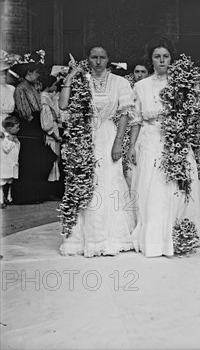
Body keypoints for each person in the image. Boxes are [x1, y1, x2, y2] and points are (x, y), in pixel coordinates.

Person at [129, 38, 200, 257]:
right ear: (151, 59)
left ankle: (178, 232)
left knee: (176, 185)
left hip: (177, 140)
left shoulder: (181, 84)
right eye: (157, 56)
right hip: (150, 139)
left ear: (172, 59)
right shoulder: (140, 86)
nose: (162, 60)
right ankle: (155, 238)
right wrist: (131, 147)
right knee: (152, 185)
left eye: (165, 56)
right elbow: (136, 119)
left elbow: (194, 115)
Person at [59, 45, 135, 256]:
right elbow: (63, 105)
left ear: (108, 59)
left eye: (102, 57)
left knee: (109, 180)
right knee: (86, 181)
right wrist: (70, 77)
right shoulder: (81, 81)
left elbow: (124, 114)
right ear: (88, 59)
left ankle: (111, 236)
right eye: (94, 57)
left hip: (109, 135)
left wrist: (119, 142)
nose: (98, 61)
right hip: (84, 137)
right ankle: (84, 238)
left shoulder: (120, 82)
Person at [11, 62, 56, 204]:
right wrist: (35, 122)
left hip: (35, 127)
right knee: (30, 162)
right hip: (28, 128)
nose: (37, 76)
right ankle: (26, 196)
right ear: (28, 73)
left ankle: (37, 193)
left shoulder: (31, 87)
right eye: (35, 73)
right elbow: (25, 111)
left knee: (39, 161)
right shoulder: (21, 88)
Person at [39, 74, 62, 187]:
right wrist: (55, 136)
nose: (55, 87)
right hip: (51, 134)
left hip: (54, 129)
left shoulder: (48, 97)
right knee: (52, 157)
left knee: (55, 158)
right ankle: (50, 186)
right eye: (54, 85)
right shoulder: (44, 101)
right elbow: (46, 124)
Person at [1, 116, 20, 208]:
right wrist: (11, 141)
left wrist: (16, 141)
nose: (18, 129)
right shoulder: (4, 137)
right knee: (3, 182)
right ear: (9, 128)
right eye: (17, 127)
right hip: (5, 164)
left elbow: (17, 150)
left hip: (13, 163)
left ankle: (8, 198)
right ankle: (2, 200)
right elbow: (6, 149)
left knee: (10, 182)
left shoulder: (13, 137)